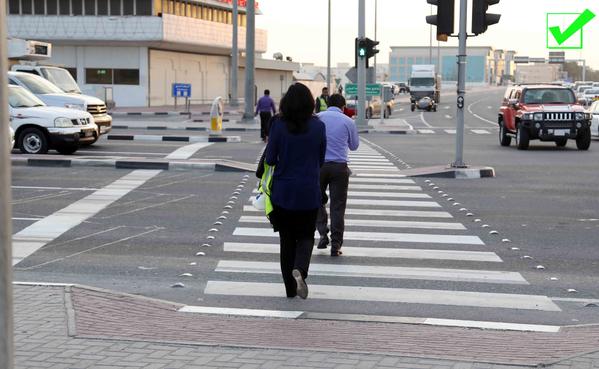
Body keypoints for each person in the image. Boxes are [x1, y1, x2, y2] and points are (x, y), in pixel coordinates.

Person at [265, 83, 326, 299]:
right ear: (311, 103)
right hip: (309, 190)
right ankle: (300, 268)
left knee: (287, 240)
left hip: (283, 192)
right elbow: (321, 159)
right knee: (307, 236)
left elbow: (270, 158)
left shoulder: (278, 126)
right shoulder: (318, 127)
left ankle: (290, 291)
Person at [316, 94, 360, 257]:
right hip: (340, 168)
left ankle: (322, 232)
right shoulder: (348, 121)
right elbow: (354, 146)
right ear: (343, 107)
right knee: (338, 207)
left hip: (319, 166)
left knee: (316, 201)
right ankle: (336, 244)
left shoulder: (318, 118)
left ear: (327, 104)